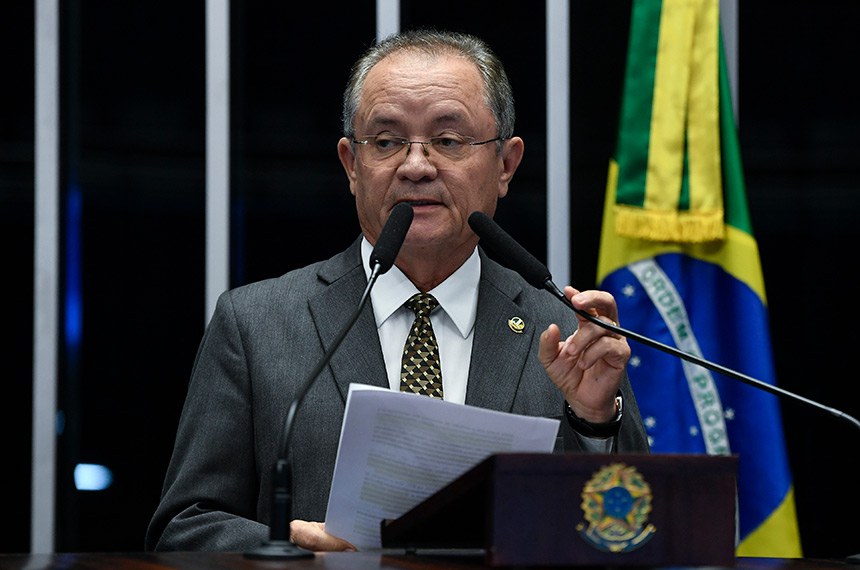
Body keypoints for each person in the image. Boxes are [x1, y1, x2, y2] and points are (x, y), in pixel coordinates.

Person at [145, 28, 650, 553]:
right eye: (386, 142)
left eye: (448, 141)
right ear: (351, 165)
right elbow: (185, 528)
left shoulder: (568, 332)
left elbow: (636, 534)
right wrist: (288, 548)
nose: (415, 165)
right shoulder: (257, 324)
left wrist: (594, 420)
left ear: (505, 165)